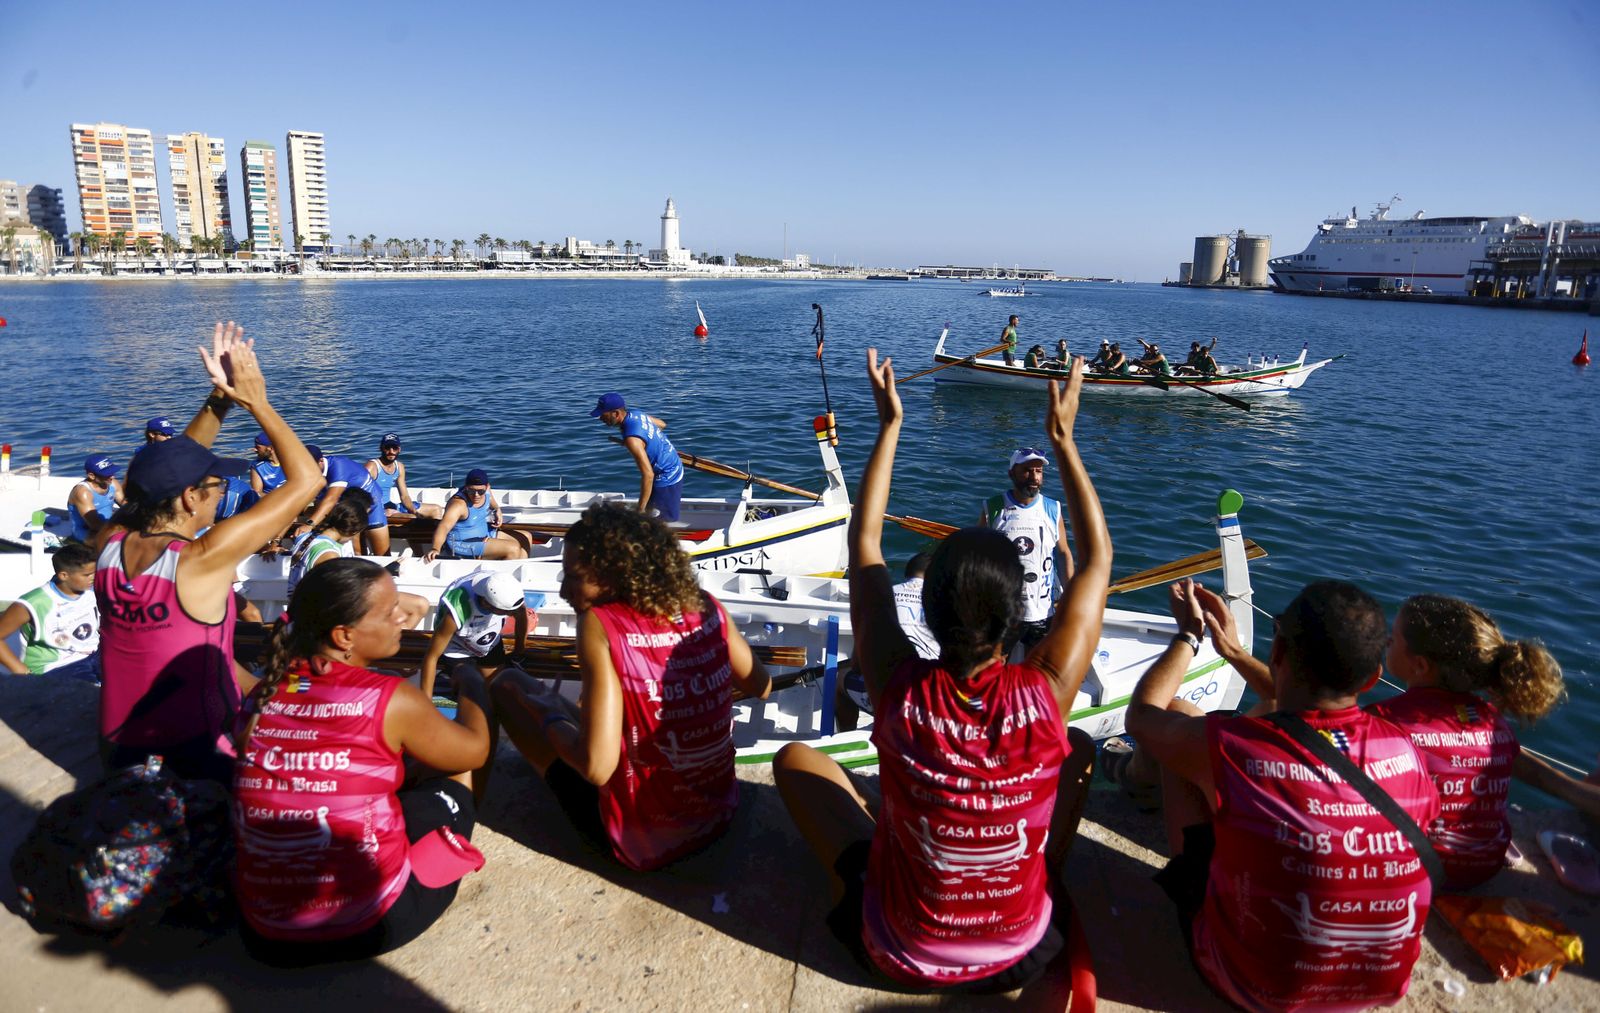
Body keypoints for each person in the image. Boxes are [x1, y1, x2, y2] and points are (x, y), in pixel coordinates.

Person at [772, 351, 1108, 993]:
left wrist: (889, 424)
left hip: (899, 952)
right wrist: (1064, 440)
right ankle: (1043, 868)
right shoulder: (1045, 694)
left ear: (923, 605)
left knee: (795, 761)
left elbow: (864, 545)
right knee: (1081, 749)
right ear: (1015, 617)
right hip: (1021, 954)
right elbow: (1094, 564)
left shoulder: (899, 685)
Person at [1126, 579, 1440, 1013]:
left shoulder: (1233, 747)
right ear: (1372, 678)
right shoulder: (1404, 748)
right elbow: (1291, 708)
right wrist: (1234, 652)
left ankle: (1131, 781)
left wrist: (1188, 636)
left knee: (1180, 721)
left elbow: (1143, 717)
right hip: (1377, 990)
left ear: (1277, 654)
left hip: (1253, 989)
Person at [232, 558, 492, 964]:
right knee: (455, 768)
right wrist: (473, 682)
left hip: (265, 932)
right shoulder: (390, 698)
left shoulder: (263, 694)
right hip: (367, 925)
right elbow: (474, 750)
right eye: (390, 614)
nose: (402, 619)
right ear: (344, 635)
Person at [97, 321, 324, 781]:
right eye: (218, 485)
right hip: (190, 759)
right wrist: (256, 401)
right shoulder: (200, 558)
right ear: (190, 499)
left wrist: (220, 398)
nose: (223, 491)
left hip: (119, 749)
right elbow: (308, 481)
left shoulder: (110, 541)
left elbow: (164, 470)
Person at [491, 502, 772, 872]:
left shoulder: (599, 625)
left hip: (644, 840)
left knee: (509, 684)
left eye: (574, 577)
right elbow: (761, 685)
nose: (563, 590)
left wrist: (547, 716)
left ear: (615, 575)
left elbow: (597, 769)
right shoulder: (704, 605)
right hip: (718, 813)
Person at [1367, 594, 1580, 888]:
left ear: (1419, 666)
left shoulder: (1385, 720)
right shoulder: (1493, 721)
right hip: (1487, 863)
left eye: (1393, 638)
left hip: (1424, 870)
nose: (1387, 642)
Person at [979, 447, 1074, 656]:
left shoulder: (1053, 509)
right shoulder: (994, 508)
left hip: (1042, 609)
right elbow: (979, 557)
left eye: (1038, 471)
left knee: (1036, 665)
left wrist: (1072, 595)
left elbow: (1063, 553)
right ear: (1011, 473)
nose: (1034, 477)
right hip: (1004, 610)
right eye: (1027, 470)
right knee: (996, 662)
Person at [419, 568, 530, 699]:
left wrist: (519, 651)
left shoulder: (501, 586)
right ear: (488, 604)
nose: (513, 613)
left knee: (496, 688)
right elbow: (431, 656)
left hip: (489, 641)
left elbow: (521, 613)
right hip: (457, 647)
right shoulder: (456, 612)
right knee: (472, 692)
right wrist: (425, 701)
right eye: (507, 611)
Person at [0, 541, 100, 681]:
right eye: (87, 575)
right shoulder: (34, 602)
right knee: (93, 695)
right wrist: (22, 672)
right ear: (64, 575)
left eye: (94, 572)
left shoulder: (92, 590)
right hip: (58, 666)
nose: (93, 577)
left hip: (95, 655)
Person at [590, 393, 686, 522]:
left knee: (658, 521)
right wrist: (643, 442)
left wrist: (639, 510)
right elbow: (662, 424)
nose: (600, 418)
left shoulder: (632, 440)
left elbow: (648, 475)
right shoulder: (637, 414)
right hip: (673, 460)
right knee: (651, 513)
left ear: (616, 413)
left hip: (667, 475)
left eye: (603, 414)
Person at [421, 469, 532, 562]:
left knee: (526, 536)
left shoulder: (487, 491)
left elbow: (491, 500)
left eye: (480, 491)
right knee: (513, 549)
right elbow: (443, 527)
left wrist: (497, 509)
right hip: (462, 543)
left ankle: (519, 572)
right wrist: (435, 548)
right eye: (471, 490)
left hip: (483, 533)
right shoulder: (458, 505)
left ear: (487, 487)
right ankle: (502, 580)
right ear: (466, 487)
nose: (476, 495)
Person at [304, 446, 391, 556]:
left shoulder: (338, 466)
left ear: (321, 461)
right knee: (355, 551)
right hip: (348, 503)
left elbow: (331, 499)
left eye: (311, 466)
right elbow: (319, 504)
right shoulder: (311, 473)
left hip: (371, 502)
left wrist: (309, 524)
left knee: (382, 554)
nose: (307, 470)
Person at [366, 432, 443, 521]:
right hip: (376, 509)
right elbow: (358, 495)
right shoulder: (372, 467)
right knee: (412, 518)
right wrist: (379, 511)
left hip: (390, 505)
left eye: (394, 448)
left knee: (436, 509)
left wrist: (414, 511)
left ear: (399, 449)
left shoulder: (399, 467)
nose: (391, 451)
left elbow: (404, 496)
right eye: (387, 448)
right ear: (381, 448)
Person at [68, 454, 123, 544]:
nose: (112, 476)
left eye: (112, 472)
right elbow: (95, 525)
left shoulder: (113, 483)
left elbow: (125, 504)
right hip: (86, 531)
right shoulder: (83, 492)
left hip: (108, 525)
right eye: (107, 474)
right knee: (116, 542)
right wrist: (122, 530)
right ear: (91, 475)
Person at [248, 431, 285, 495]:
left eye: (258, 447)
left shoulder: (289, 462)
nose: (254, 450)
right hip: (273, 501)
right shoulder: (257, 467)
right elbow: (257, 493)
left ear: (271, 448)